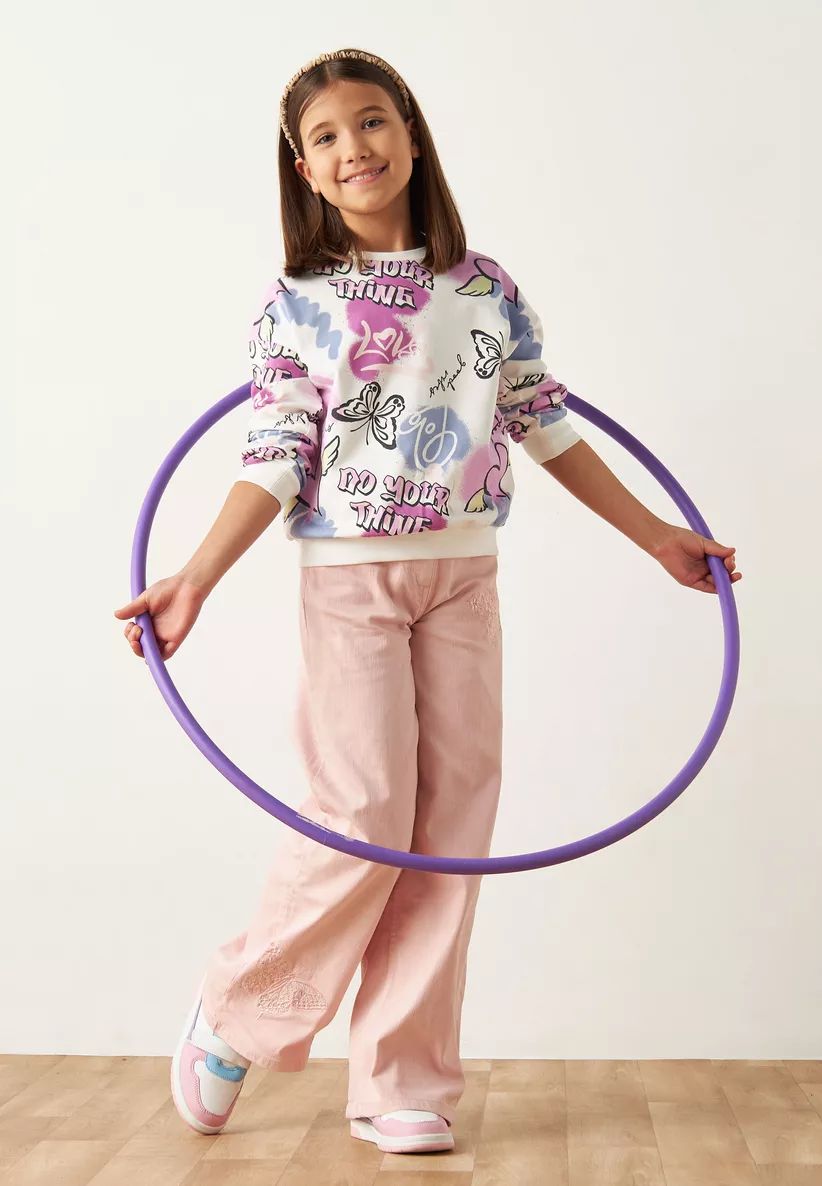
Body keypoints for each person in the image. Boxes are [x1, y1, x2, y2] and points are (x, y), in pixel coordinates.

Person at [113, 47, 742, 1156]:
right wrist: (195, 575)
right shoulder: (296, 306)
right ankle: (240, 1009)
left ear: (409, 133)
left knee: (450, 822)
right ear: (303, 169)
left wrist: (656, 537)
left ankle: (403, 1076)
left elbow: (544, 423)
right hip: (349, 579)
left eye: (371, 122)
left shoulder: (484, 290)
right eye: (325, 137)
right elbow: (274, 454)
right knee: (363, 816)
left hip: (463, 575)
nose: (353, 148)